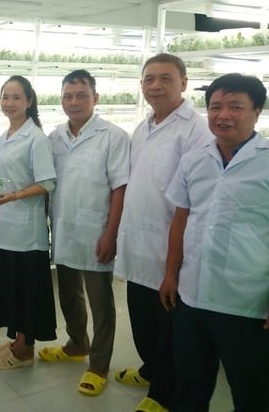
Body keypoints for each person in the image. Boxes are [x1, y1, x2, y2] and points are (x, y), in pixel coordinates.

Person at [159, 73, 269, 412]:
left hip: (246, 301)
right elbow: (181, 218)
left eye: (236, 107)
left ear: (257, 111)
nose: (223, 115)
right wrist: (171, 273)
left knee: (250, 390)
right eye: (216, 107)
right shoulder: (194, 159)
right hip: (192, 296)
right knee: (190, 384)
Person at [114, 53, 212, 412]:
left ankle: (163, 394)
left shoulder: (195, 131)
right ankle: (151, 369)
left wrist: (174, 266)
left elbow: (192, 202)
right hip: (138, 247)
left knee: (169, 329)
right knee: (143, 322)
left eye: (165, 78)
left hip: (169, 251)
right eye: (149, 79)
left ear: (183, 83)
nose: (155, 85)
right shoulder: (144, 127)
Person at [40, 70, 130, 395]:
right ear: (61, 99)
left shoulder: (113, 136)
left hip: (96, 231)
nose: (74, 102)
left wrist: (111, 233)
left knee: (100, 301)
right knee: (68, 293)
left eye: (81, 95)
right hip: (63, 227)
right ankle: (77, 342)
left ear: (96, 98)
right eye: (68, 96)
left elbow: (121, 189)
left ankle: (99, 364)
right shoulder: (54, 138)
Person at [0, 75, 57, 370]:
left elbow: (47, 182)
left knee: (26, 288)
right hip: (3, 226)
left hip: (26, 230)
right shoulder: (7, 134)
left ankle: (26, 349)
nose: (9, 103)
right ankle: (17, 340)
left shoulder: (35, 137)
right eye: (5, 97)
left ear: (29, 101)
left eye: (16, 98)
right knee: (11, 286)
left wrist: (14, 196)